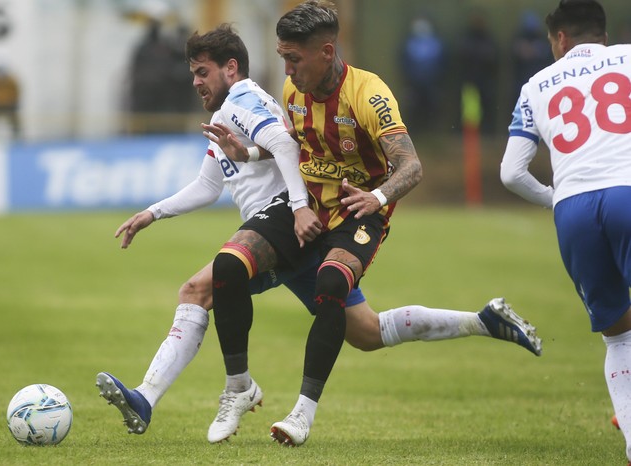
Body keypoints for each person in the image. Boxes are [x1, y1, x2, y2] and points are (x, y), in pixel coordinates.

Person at [96, 22, 542, 444]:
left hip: (295, 225)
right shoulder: (253, 105)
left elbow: (288, 147)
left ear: (230, 68)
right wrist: (153, 212)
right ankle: (481, 321)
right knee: (366, 332)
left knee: (199, 289)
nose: (196, 82)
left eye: (201, 72)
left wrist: (300, 206)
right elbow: (213, 184)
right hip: (302, 223)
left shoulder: (242, 101)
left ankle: (162, 396)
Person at [499, 0, 631, 462]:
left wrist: (556, 198)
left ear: (559, 39)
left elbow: (511, 174)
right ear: (604, 34)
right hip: (629, 189)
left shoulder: (535, 84)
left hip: (573, 207)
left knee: (618, 334)